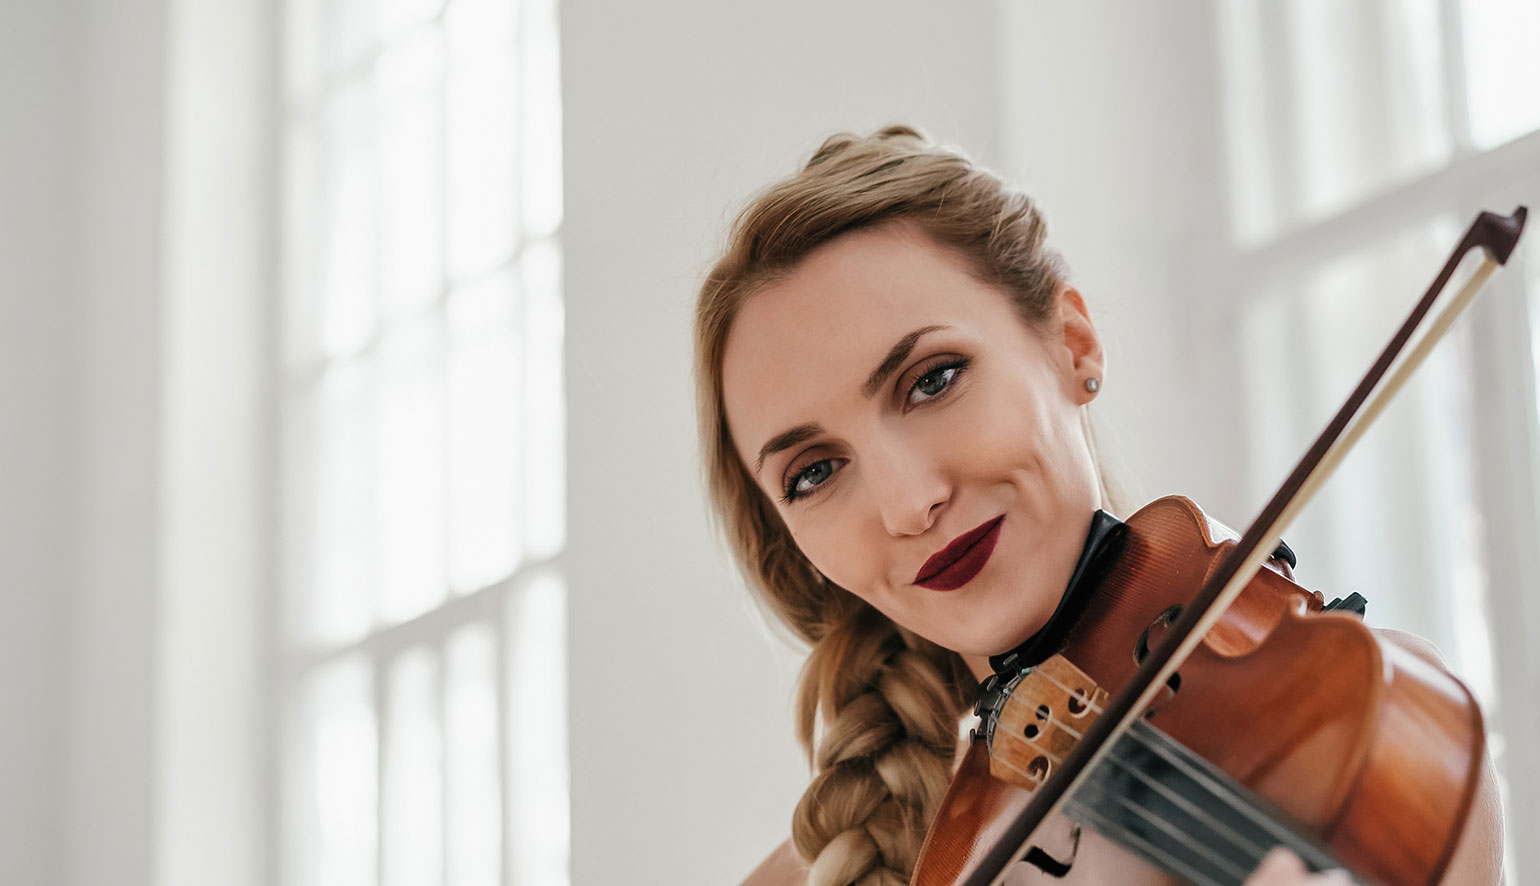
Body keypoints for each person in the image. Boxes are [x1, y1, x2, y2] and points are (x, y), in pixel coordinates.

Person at [693, 126, 1504, 886]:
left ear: (1071, 344)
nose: (910, 503)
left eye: (933, 380)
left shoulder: (1364, 732)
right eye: (815, 472)